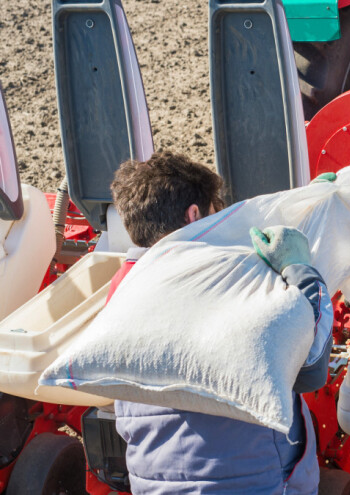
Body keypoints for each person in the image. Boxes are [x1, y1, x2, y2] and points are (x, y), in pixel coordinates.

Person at [106, 151, 332, 495]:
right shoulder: (225, 281)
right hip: (254, 482)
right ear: (194, 214)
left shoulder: (121, 288)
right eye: (216, 211)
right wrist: (301, 271)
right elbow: (310, 368)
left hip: (153, 483)